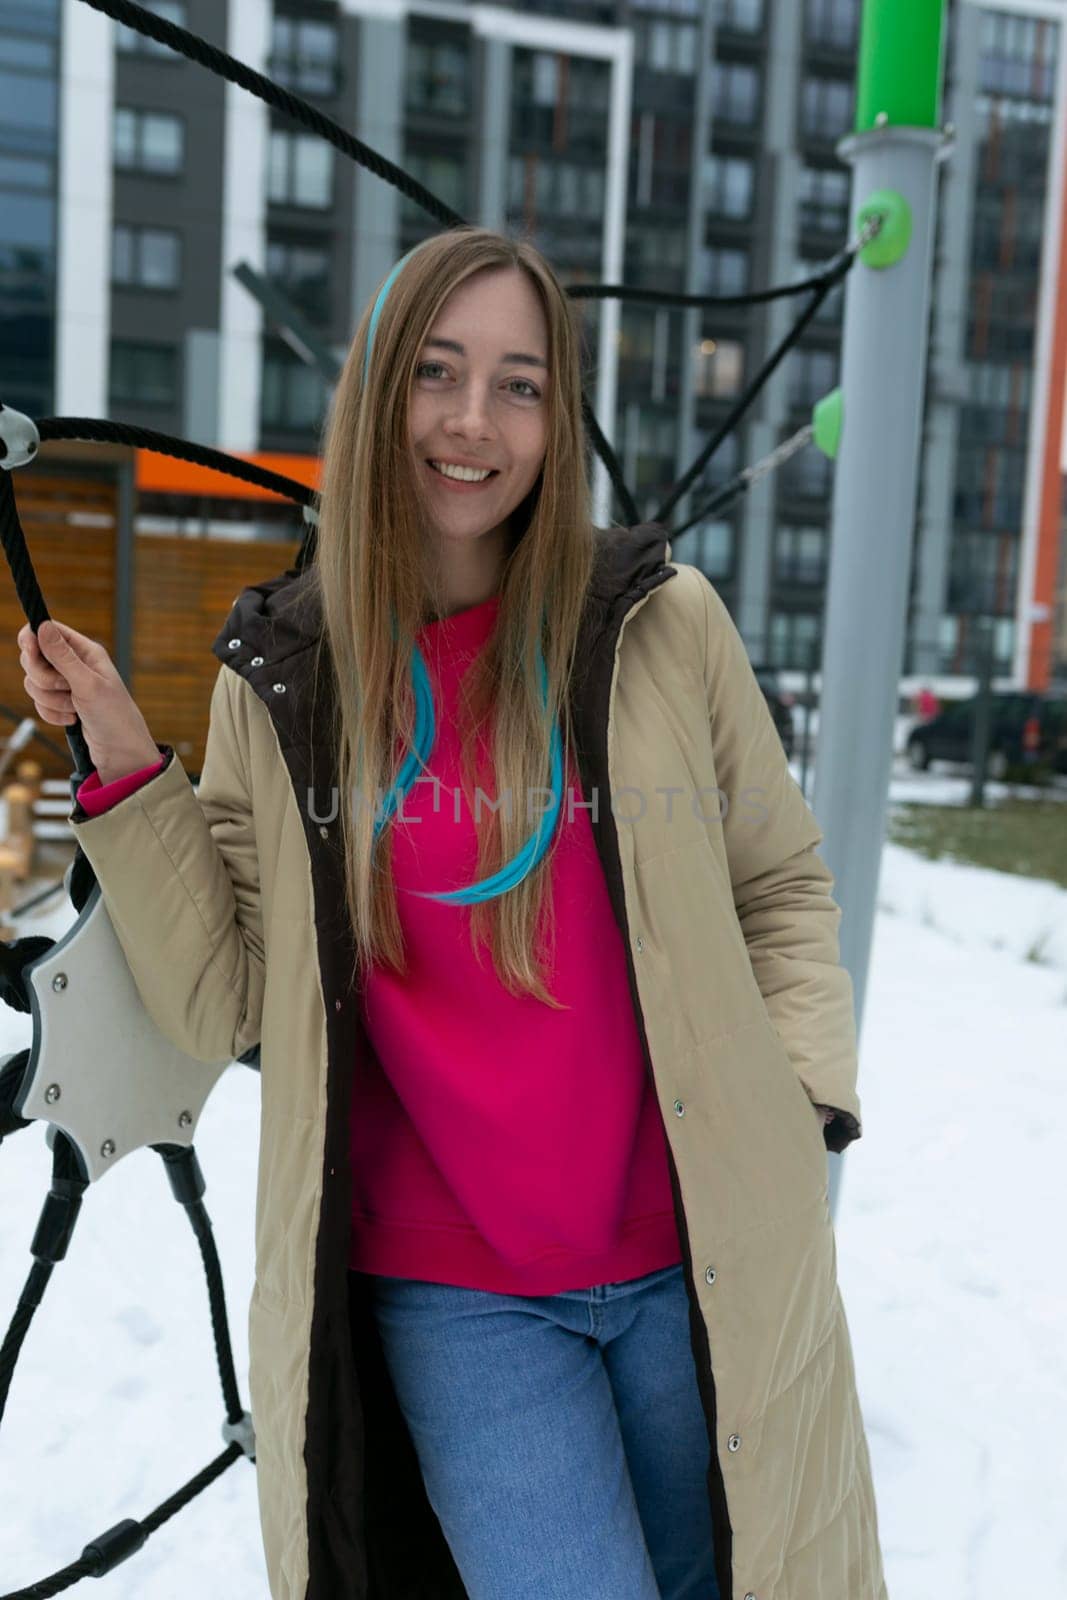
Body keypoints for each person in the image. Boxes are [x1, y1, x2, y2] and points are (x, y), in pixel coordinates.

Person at [17, 225, 887, 1600]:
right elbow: (223, 992)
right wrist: (126, 760)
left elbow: (777, 884)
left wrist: (797, 1101)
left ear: (561, 413)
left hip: (698, 1252)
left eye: (521, 383)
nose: (475, 422)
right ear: (377, 393)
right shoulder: (284, 676)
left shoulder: (661, 626)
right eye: (438, 373)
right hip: (459, 1293)